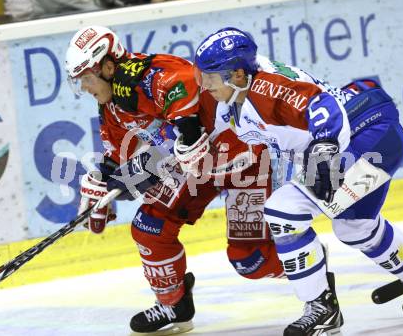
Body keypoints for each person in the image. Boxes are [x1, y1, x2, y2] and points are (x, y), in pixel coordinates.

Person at [192, 27, 403, 336]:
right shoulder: (235, 100)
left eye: (211, 78)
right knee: (354, 227)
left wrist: (324, 149)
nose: (206, 85)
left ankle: (322, 309)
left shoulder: (265, 87)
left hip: (365, 134)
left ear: (237, 74)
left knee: (282, 213)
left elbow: (323, 108)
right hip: (373, 136)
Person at [65, 25, 286, 335]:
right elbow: (120, 157)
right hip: (191, 165)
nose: (85, 88)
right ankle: (175, 305)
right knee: (149, 228)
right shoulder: (111, 107)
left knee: (250, 260)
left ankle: (311, 269)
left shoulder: (151, 74)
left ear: (108, 66)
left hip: (237, 159)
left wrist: (134, 173)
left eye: (86, 78)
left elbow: (186, 114)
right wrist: (101, 180)